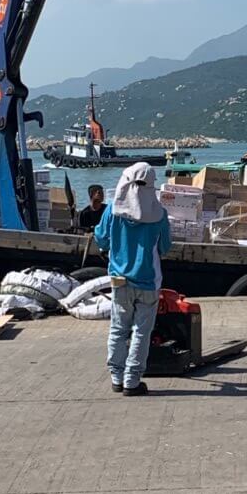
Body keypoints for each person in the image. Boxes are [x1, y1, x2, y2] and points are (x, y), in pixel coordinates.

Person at [94, 163, 171, 395]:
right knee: (141, 331)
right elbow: (165, 248)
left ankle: (116, 377)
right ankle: (132, 380)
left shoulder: (113, 211)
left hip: (119, 279)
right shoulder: (159, 214)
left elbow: (101, 239)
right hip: (148, 280)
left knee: (118, 328)